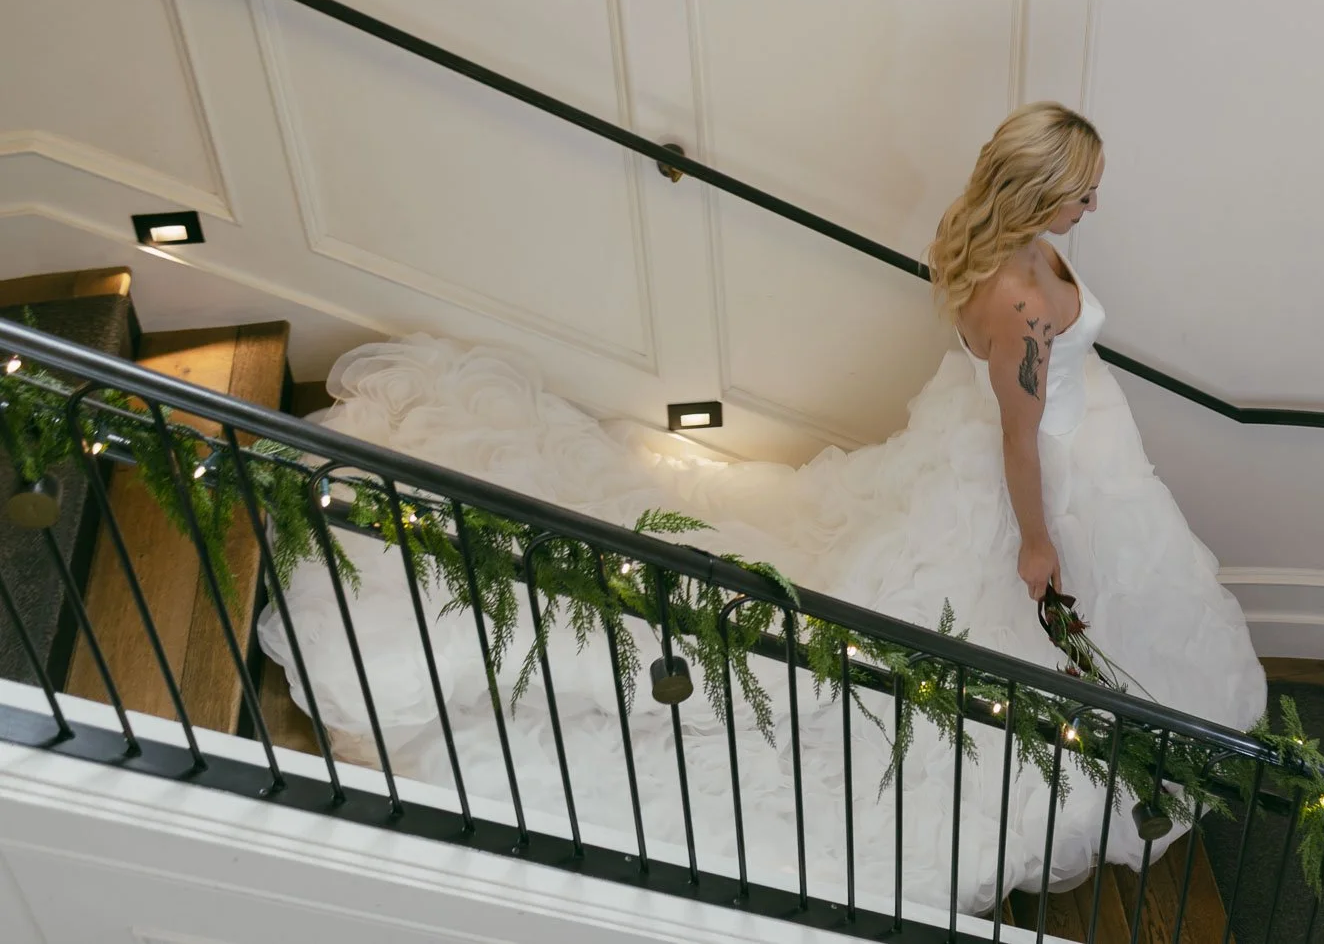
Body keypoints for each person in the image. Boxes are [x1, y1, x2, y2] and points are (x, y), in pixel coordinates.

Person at [258, 101, 1267, 918]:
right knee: (958, 656)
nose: (1096, 202)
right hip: (1037, 477)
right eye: (1082, 189)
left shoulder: (994, 255)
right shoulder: (1025, 305)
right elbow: (1017, 438)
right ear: (1040, 192)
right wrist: (1039, 542)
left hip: (1053, 449)